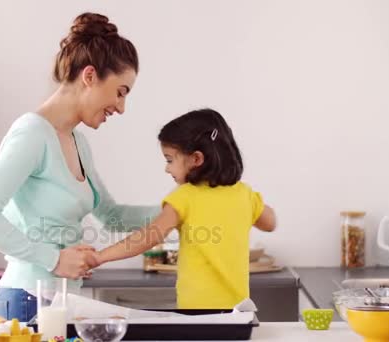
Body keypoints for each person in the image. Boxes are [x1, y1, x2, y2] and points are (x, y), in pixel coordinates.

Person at [0, 12, 159, 321]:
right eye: (120, 92)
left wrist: (178, 209)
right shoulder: (31, 134)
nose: (121, 107)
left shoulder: (77, 141)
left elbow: (111, 215)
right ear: (90, 76)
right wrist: (53, 259)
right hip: (27, 300)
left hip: (63, 301)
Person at [95, 108, 277, 309]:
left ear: (196, 159)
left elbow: (149, 236)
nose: (167, 168)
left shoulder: (184, 197)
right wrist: (251, 205)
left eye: (170, 160)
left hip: (196, 311)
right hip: (239, 311)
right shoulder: (245, 195)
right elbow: (270, 223)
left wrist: (100, 256)